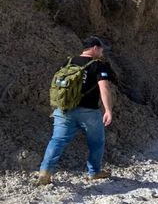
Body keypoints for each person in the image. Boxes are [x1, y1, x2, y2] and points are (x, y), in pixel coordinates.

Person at [37, 36, 114, 185]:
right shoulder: (98, 65)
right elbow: (104, 89)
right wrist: (108, 110)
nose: (103, 52)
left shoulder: (68, 62)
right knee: (96, 142)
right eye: (101, 48)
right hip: (89, 111)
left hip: (64, 109)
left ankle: (44, 172)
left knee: (57, 141)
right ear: (95, 48)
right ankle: (94, 172)